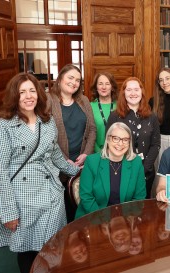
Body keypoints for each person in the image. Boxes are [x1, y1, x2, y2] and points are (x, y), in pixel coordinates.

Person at [0, 73, 80, 273]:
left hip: (52, 195)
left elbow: (55, 154)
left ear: (38, 94)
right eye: (22, 92)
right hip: (24, 199)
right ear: (14, 96)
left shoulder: (47, 122)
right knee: (28, 250)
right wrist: (8, 212)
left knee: (54, 247)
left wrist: (76, 170)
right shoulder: (3, 128)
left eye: (32, 90)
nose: (28, 96)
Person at [47, 64, 96, 222]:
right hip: (57, 166)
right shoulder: (48, 100)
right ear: (60, 78)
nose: (74, 82)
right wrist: (63, 161)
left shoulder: (83, 100)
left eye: (77, 80)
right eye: (70, 78)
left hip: (81, 163)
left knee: (81, 207)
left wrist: (86, 154)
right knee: (62, 212)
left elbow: (92, 129)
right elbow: (47, 136)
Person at [75, 122, 146, 219]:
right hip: (93, 218)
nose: (120, 144)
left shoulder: (136, 163)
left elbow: (139, 198)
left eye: (125, 140)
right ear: (108, 139)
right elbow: (86, 197)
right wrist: (104, 221)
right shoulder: (92, 161)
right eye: (116, 138)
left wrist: (123, 221)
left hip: (125, 219)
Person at [107, 77, 160, 198]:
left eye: (136, 89)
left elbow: (155, 145)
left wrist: (143, 169)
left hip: (145, 173)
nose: (133, 93)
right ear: (123, 93)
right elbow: (109, 143)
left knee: (141, 209)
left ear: (142, 92)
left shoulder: (152, 117)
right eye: (129, 90)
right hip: (120, 171)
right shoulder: (114, 116)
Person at [90, 72, 118, 152]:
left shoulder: (120, 106)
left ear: (112, 87)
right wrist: (99, 151)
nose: (104, 87)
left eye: (107, 84)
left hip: (117, 152)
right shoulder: (89, 106)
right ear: (96, 87)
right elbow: (88, 133)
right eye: (100, 84)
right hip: (96, 152)